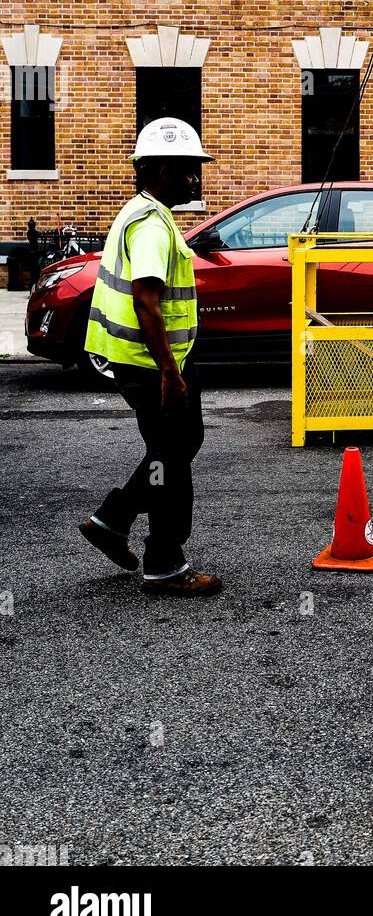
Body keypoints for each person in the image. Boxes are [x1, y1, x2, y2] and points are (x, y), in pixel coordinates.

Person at [78, 118, 222, 597]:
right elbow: (145, 300)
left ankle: (111, 520)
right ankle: (164, 563)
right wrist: (168, 372)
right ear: (161, 169)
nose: (195, 180)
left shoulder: (143, 212)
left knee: (177, 448)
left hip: (150, 361)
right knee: (172, 464)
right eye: (188, 171)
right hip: (151, 366)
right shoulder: (151, 227)